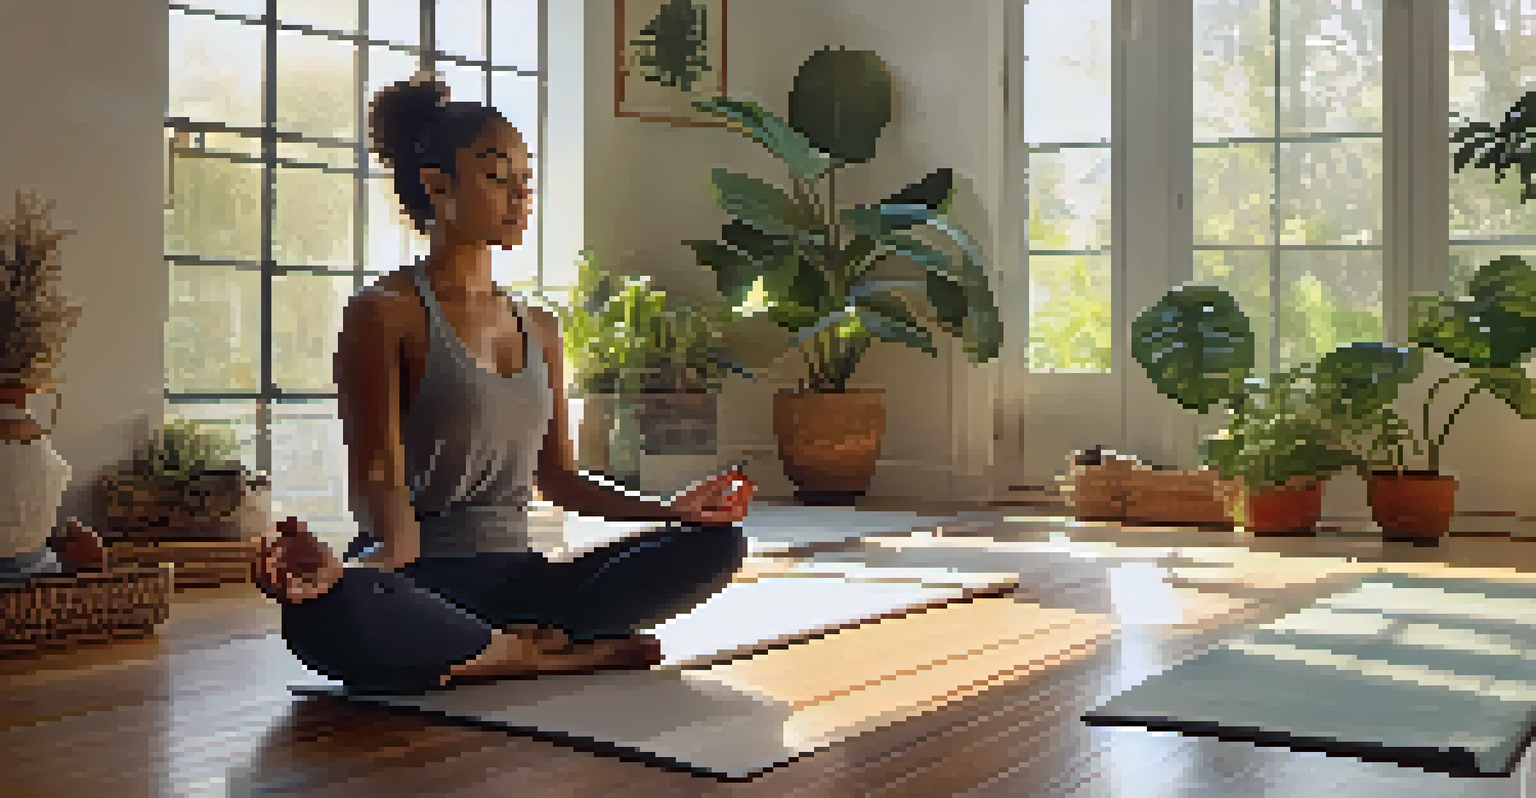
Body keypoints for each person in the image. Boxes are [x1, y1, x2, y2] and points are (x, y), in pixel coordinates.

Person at [253, 73, 757, 696]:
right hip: (418, 580)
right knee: (324, 612)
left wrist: (669, 509)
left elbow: (559, 479)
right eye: (497, 177)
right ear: (437, 185)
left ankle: (489, 650)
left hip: (524, 583)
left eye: (526, 180)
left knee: (715, 546)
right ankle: (541, 655)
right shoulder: (383, 314)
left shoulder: (540, 327)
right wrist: (351, 572)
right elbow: (380, 478)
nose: (520, 195)